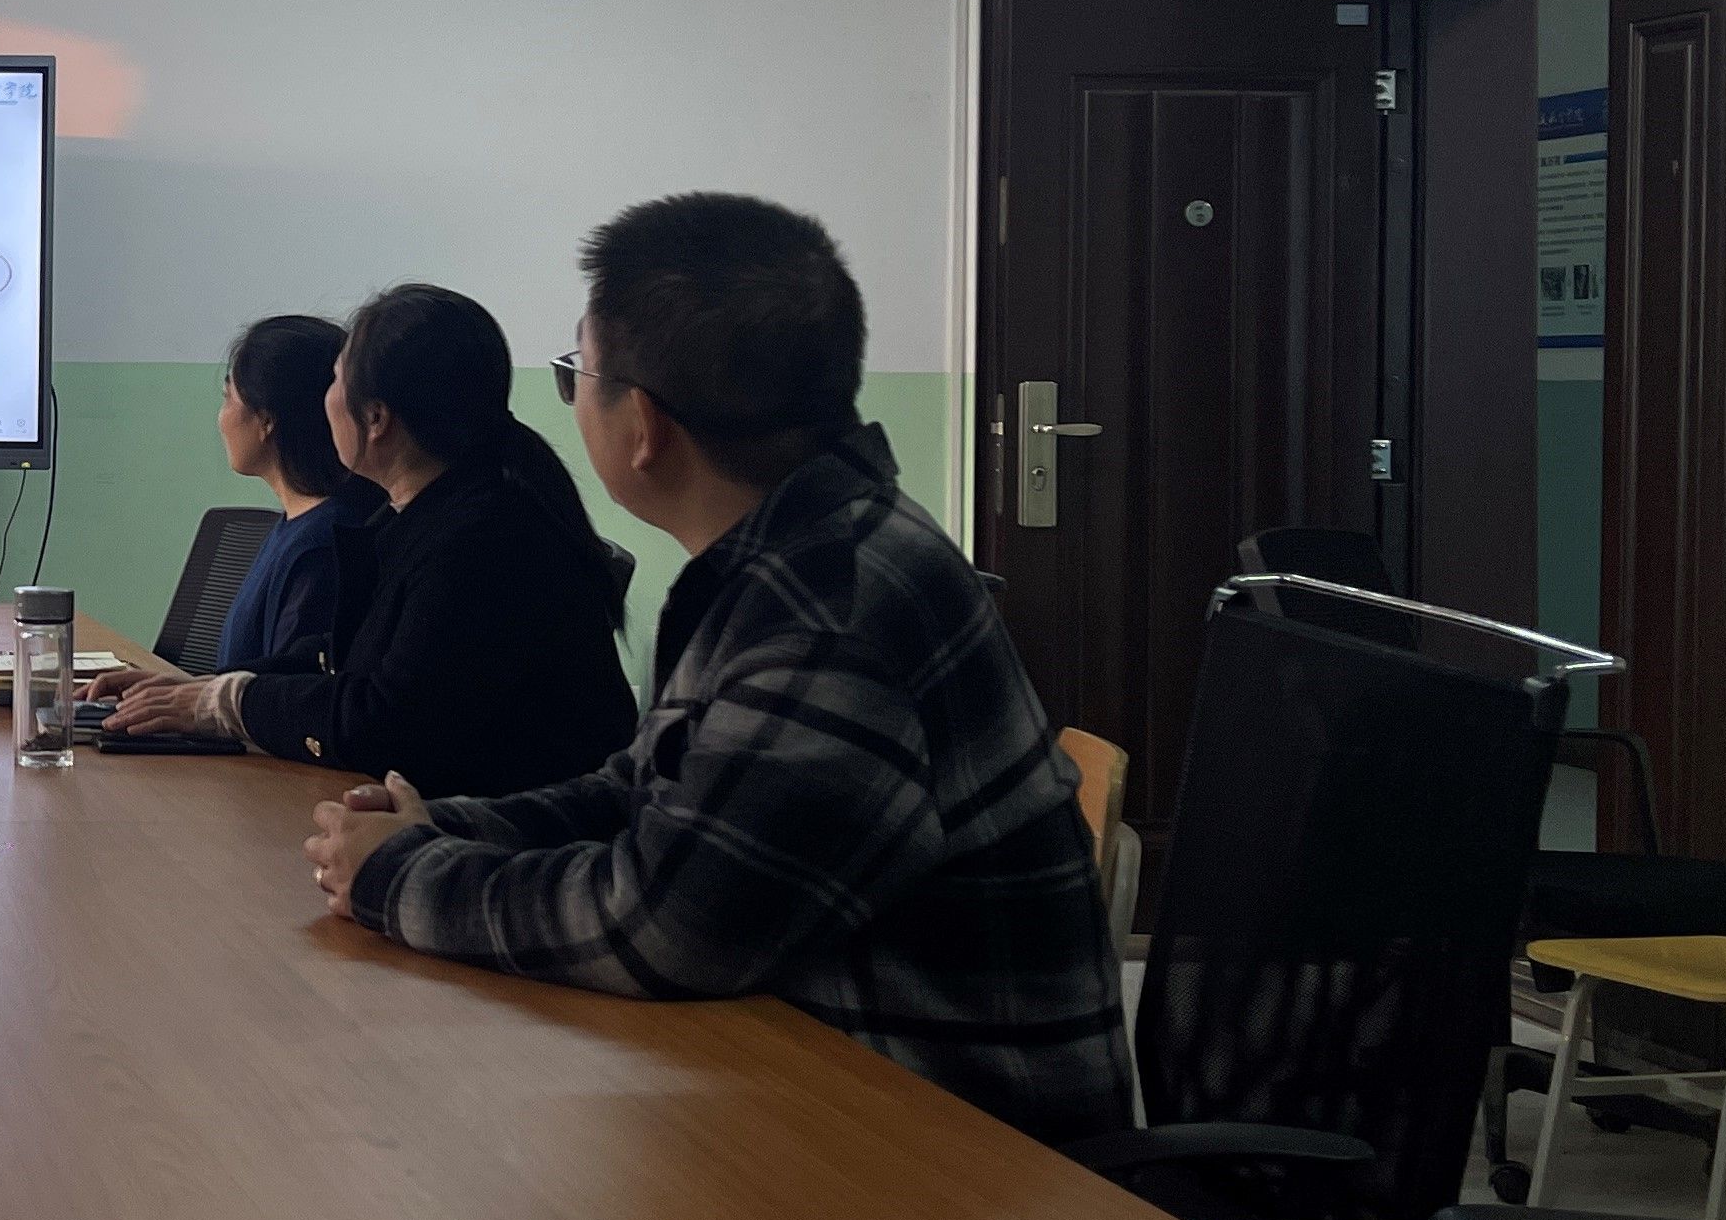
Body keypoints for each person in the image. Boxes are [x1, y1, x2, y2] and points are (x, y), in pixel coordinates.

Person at [303, 193, 1132, 1148]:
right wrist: (448, 824)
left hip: (964, 1161)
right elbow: (640, 789)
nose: (571, 402)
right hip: (829, 1095)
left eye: (576, 374)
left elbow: (667, 926)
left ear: (644, 427)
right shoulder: (787, 553)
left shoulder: (827, 615)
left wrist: (401, 876)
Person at [105, 283, 636, 796]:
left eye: (335, 382)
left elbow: (382, 721)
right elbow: (341, 657)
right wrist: (205, 691)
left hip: (507, 837)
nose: (324, 403)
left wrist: (229, 701)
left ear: (376, 418)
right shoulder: (433, 513)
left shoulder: (480, 541)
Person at [91, 314, 382, 692]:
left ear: (266, 421)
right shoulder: (305, 525)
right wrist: (179, 691)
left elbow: (288, 697)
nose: (222, 418)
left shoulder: (322, 547)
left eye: (228, 398)